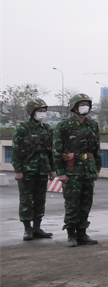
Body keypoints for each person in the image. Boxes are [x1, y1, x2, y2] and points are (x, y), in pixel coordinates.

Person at [53, 93, 101, 248]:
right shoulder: (64, 125)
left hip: (88, 169)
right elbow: (57, 150)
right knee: (72, 203)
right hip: (72, 170)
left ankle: (82, 233)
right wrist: (61, 172)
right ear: (74, 107)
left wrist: (97, 168)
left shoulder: (92, 125)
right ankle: (71, 234)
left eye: (87, 104)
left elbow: (96, 149)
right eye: (82, 104)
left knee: (86, 202)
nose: (85, 107)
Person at [12, 98, 55, 241]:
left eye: (44, 111)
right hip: (26, 172)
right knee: (26, 201)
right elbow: (16, 152)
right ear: (32, 112)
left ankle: (37, 228)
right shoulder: (22, 129)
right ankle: (27, 229)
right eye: (39, 111)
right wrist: (18, 170)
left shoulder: (47, 129)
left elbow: (51, 151)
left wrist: (52, 169)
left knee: (40, 200)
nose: (42, 114)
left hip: (43, 170)